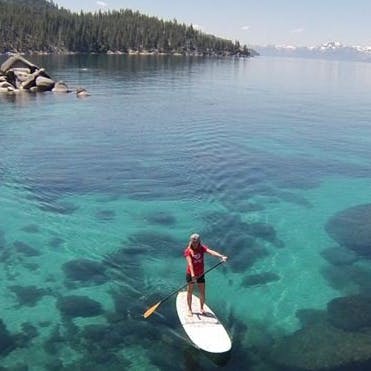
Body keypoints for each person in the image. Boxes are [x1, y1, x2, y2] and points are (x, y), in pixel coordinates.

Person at [184, 233, 227, 316]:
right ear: (191, 241)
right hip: (191, 274)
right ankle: (189, 309)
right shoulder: (188, 251)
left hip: (200, 274)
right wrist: (193, 275)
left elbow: (211, 252)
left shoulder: (201, 248)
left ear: (199, 241)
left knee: (202, 292)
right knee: (190, 292)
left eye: (196, 242)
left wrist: (221, 256)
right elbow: (190, 264)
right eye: (193, 242)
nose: (195, 244)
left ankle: (201, 308)